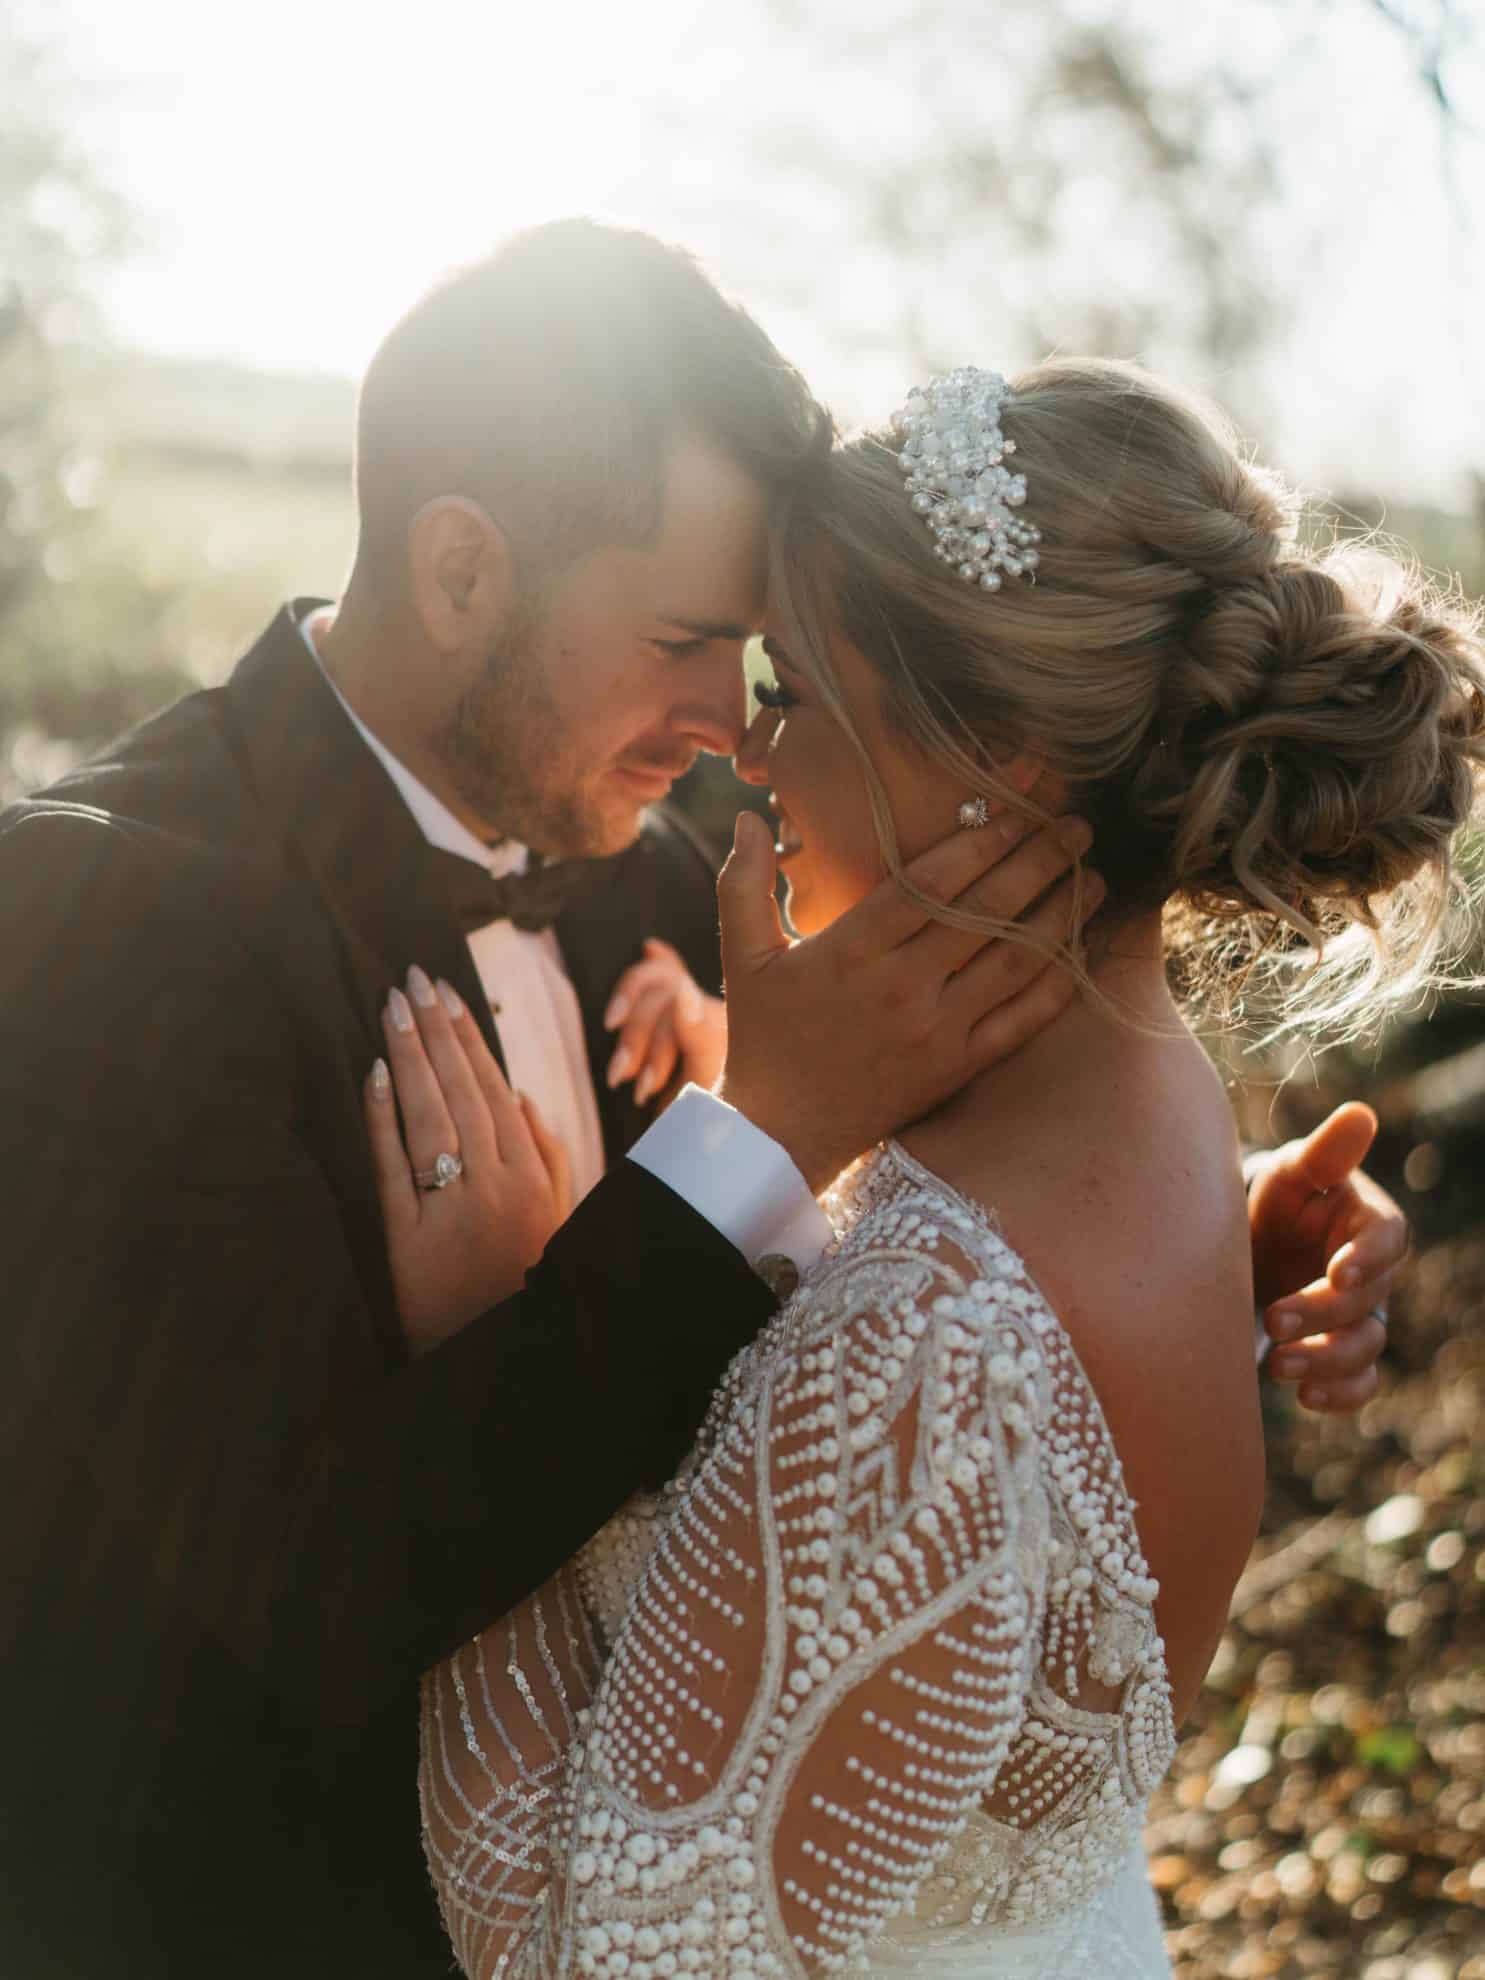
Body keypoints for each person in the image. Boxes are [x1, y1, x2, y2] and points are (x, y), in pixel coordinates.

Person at [0, 224, 1397, 1980]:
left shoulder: (688, 880)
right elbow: (295, 1583)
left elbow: (923, 1298)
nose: (734, 730)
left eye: (766, 665)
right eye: (685, 640)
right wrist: (742, 1151)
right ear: (458, 572)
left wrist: (1202, 1266)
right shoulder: (95, 921)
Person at [392, 358, 1482, 1978]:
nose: (748, 754)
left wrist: (483, 1332)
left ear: (1008, 766)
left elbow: (583, 1957)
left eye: (797, 694)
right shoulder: (1163, 1112)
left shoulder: (928, 1350)